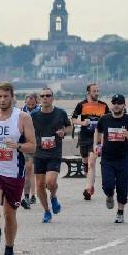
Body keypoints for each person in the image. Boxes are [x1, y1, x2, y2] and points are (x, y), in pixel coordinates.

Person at [0, 81, 36, 255]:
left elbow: (33, 145)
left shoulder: (23, 117)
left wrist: (18, 145)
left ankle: (9, 250)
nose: (2, 100)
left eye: (6, 96)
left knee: (10, 215)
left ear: (12, 97)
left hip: (14, 172)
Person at [94, 94, 128, 223]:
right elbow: (98, 130)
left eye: (119, 103)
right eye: (114, 103)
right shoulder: (105, 119)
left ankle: (120, 212)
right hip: (107, 158)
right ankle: (109, 195)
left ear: (124, 105)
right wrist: (96, 145)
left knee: (122, 186)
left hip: (123, 158)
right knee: (107, 185)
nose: (116, 105)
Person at [30, 88, 72, 223]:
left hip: (54, 152)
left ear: (52, 98)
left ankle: (53, 196)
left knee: (51, 182)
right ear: (39, 99)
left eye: (48, 96)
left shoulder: (60, 113)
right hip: (39, 152)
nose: (45, 98)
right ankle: (47, 211)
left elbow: (70, 127)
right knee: (40, 185)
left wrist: (64, 132)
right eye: (42, 96)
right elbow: (26, 129)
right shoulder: (34, 115)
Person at [71, 83, 109, 200]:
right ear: (88, 92)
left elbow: (109, 121)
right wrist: (83, 123)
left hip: (96, 138)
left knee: (92, 162)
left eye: (98, 91)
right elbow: (73, 119)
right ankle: (90, 181)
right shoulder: (81, 105)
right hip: (84, 137)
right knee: (86, 165)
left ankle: (88, 189)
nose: (96, 93)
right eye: (94, 91)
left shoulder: (104, 106)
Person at [20, 93, 39, 209]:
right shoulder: (22, 112)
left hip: (39, 144)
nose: (30, 106)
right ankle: (27, 196)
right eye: (28, 103)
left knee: (36, 172)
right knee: (28, 169)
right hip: (27, 144)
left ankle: (34, 193)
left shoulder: (41, 111)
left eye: (33, 104)